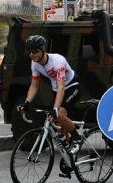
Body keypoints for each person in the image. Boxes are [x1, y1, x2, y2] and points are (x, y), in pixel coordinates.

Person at [17, 35, 82, 163]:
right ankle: (70, 154)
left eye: (35, 51)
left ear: (43, 50)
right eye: (29, 51)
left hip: (71, 87)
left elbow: (62, 86)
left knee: (60, 115)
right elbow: (34, 85)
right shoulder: (35, 64)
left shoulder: (58, 61)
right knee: (56, 124)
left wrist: (56, 109)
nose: (31, 54)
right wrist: (27, 103)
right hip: (57, 90)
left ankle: (77, 138)